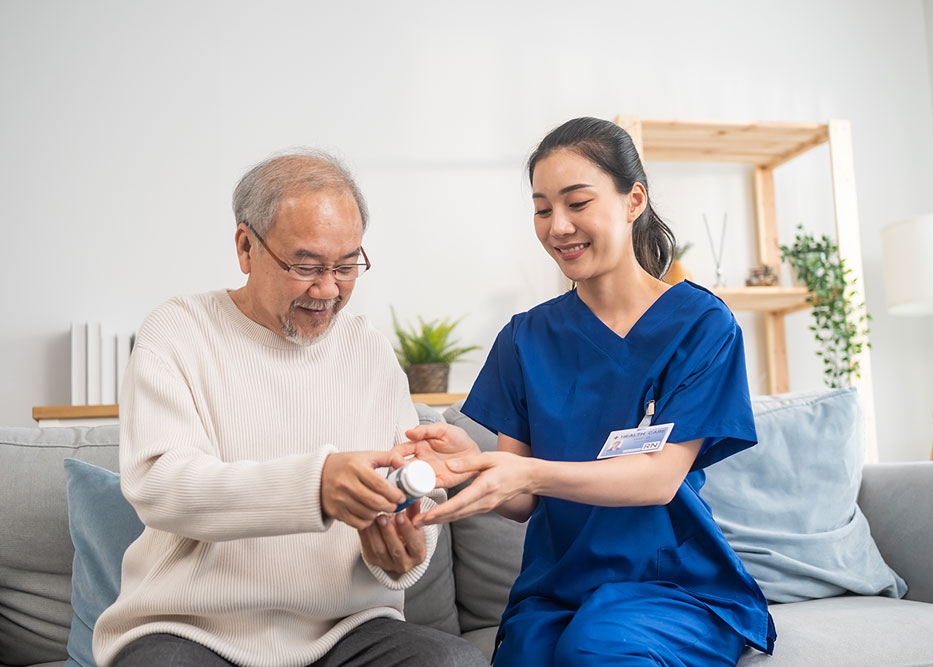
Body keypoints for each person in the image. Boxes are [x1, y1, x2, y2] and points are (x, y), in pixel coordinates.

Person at [403, 117, 776, 666]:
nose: (558, 226)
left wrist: (529, 472)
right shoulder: (526, 339)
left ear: (633, 201)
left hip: (670, 584)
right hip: (559, 586)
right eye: (542, 208)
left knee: (595, 649)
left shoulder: (701, 325)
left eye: (577, 203)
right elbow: (522, 501)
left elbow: (657, 478)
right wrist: (475, 466)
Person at [93, 150, 486, 667]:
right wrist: (314, 486)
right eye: (306, 266)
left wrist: (407, 550)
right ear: (245, 247)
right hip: (191, 631)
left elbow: (416, 489)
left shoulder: (369, 350)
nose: (328, 289)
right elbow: (161, 485)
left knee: (454, 663)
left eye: (347, 266)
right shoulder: (178, 331)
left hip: (348, 630)